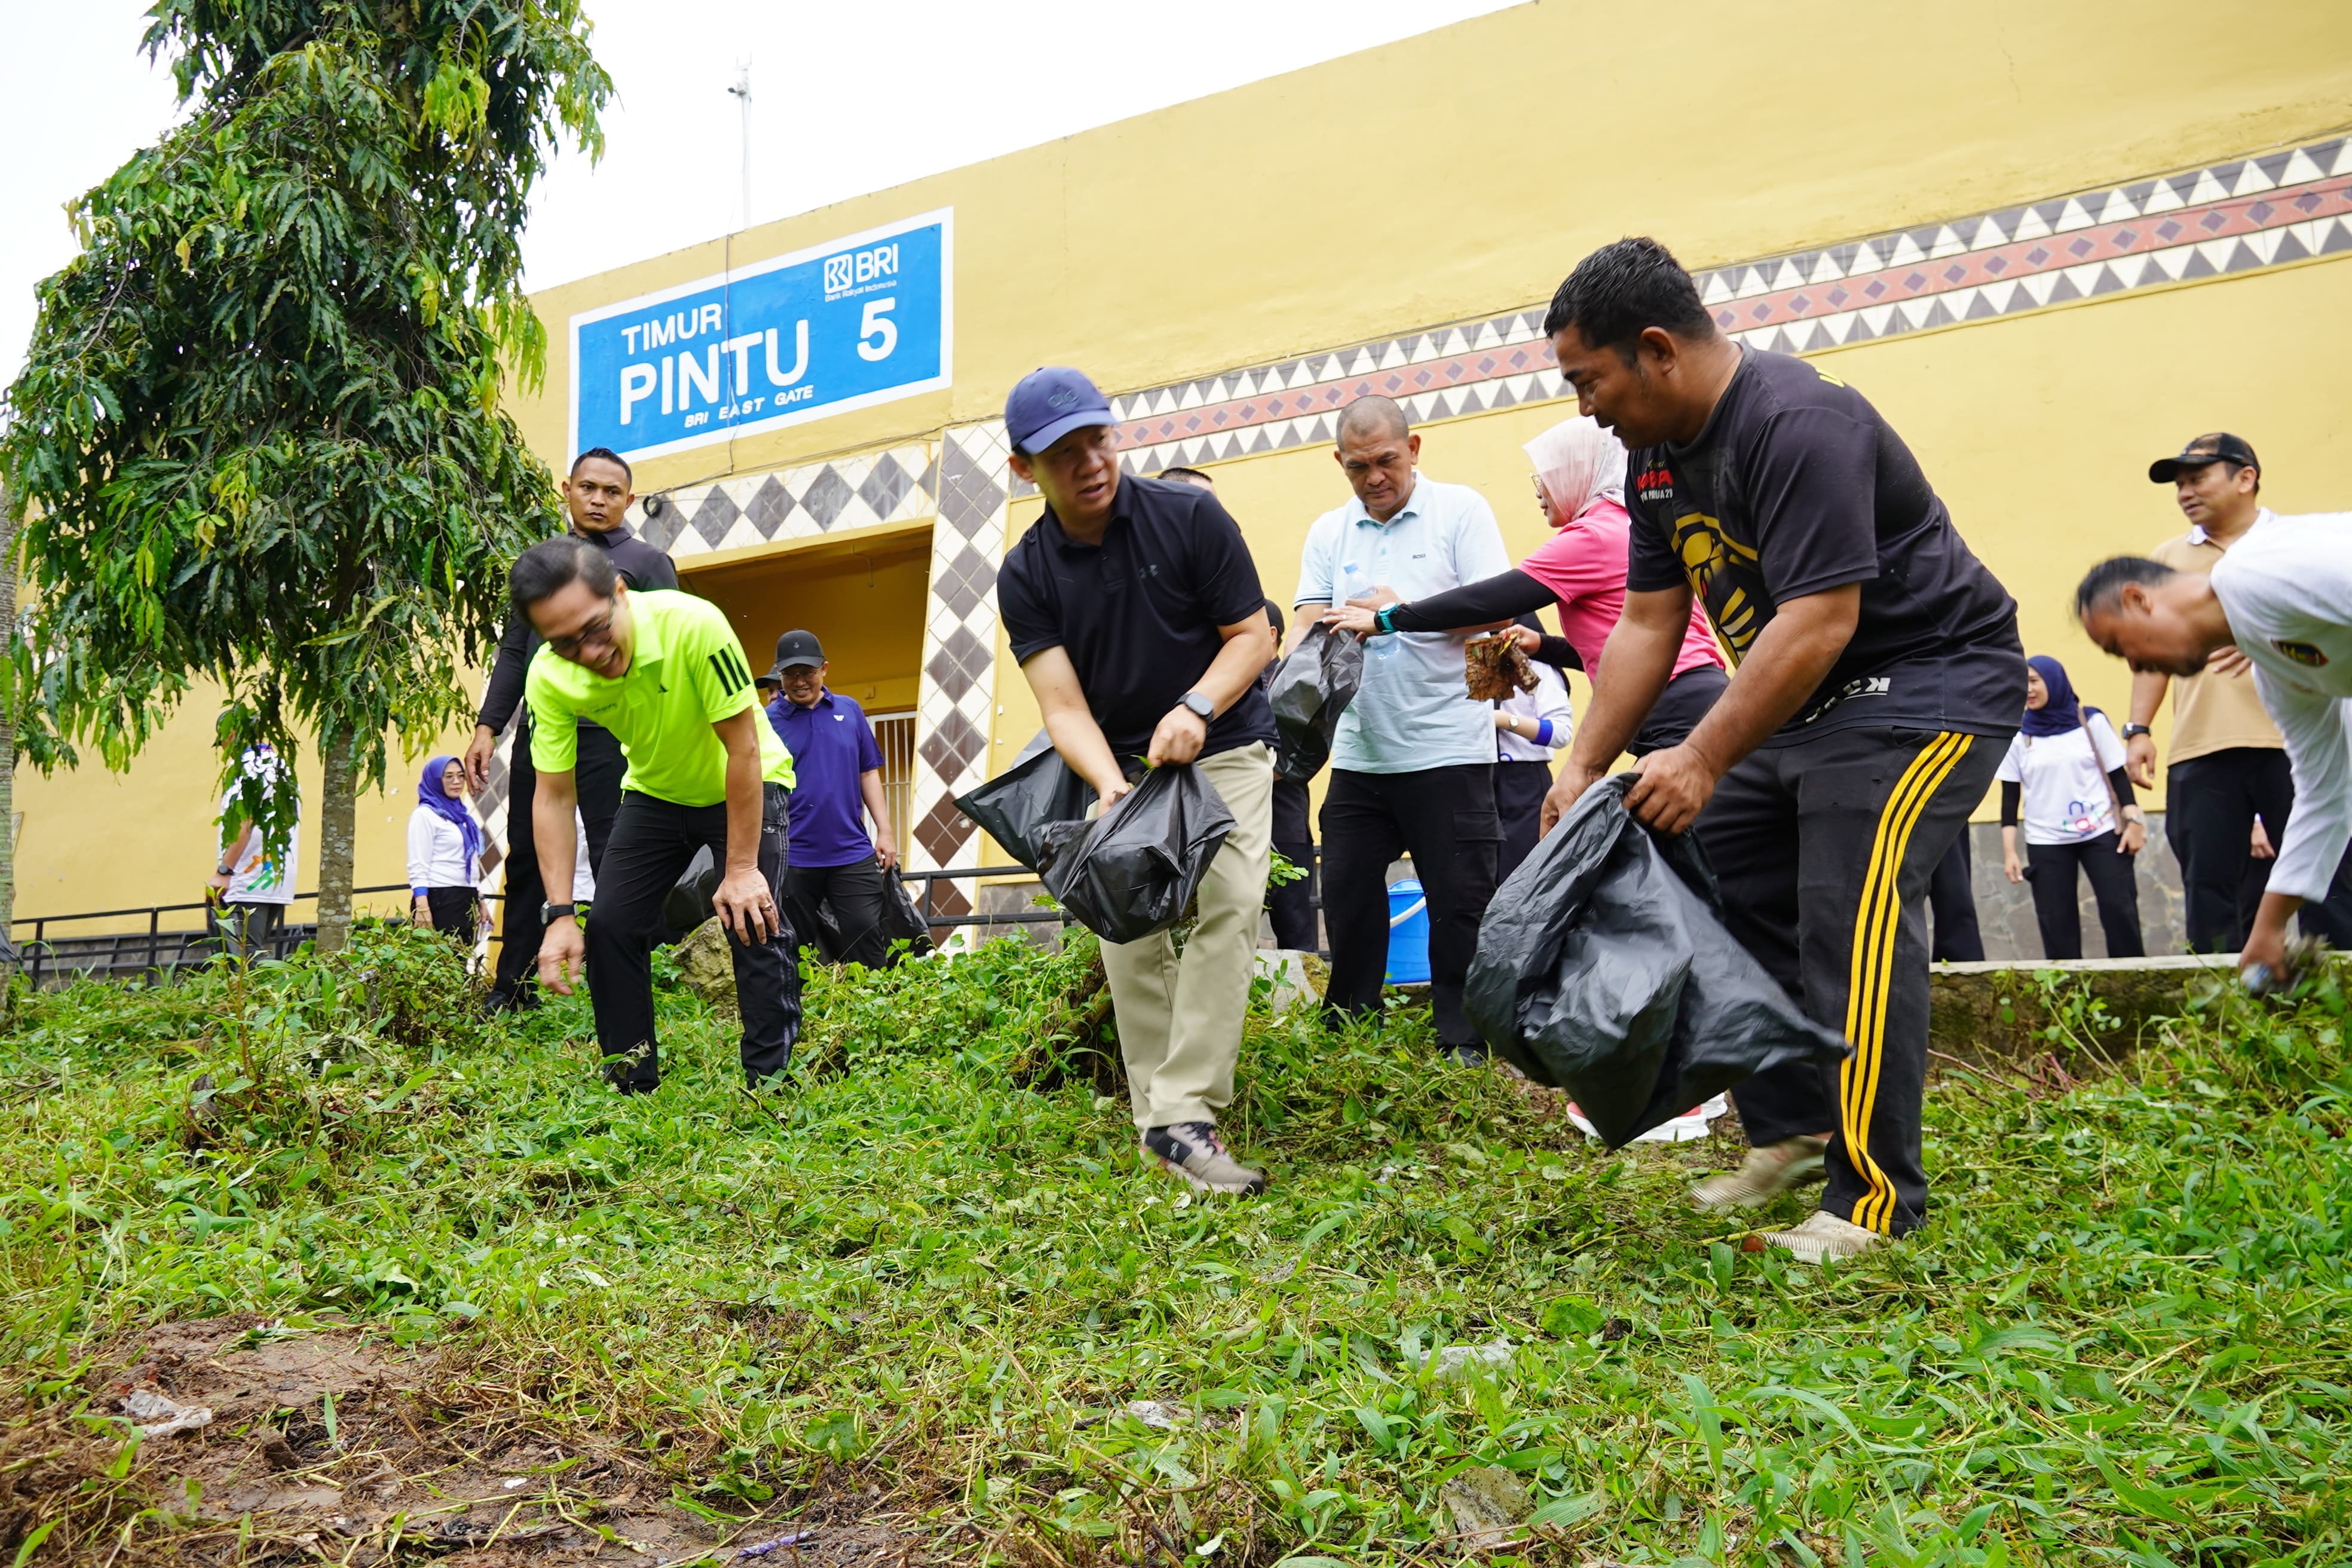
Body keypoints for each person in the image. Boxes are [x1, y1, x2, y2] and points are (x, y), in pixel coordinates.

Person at [1541, 238, 2023, 1264]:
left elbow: (1818, 618)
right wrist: (1584, 763)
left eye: (1590, 380)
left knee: (1848, 913)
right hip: (1812, 701)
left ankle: (1872, 1206)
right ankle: (1796, 1122)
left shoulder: (1797, 421)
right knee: (1703, 859)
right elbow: (1646, 621)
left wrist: (1704, 752)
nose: (1586, 407)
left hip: (1930, 681)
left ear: (1658, 349)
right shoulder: (1658, 460)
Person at [996, 366, 1279, 1196]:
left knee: (1230, 900)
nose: (1092, 462)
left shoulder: (1188, 517)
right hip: (1122, 761)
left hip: (1223, 738)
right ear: (1026, 469)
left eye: (1099, 438)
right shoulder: (1027, 575)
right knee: (1128, 933)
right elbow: (1061, 704)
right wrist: (1105, 784)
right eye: (1065, 453)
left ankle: (1184, 1109)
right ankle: (1166, 1131)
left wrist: (1196, 704)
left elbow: (1253, 636)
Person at [512, 535, 800, 1093]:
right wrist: (560, 913)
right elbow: (552, 796)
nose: (590, 654)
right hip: (654, 792)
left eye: (596, 629)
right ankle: (630, 1082)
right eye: (567, 644)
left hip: (743, 778)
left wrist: (741, 869)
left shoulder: (694, 625)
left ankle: (772, 1086)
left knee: (753, 919)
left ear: (621, 592)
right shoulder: (549, 675)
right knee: (613, 926)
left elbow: (742, 748)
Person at [1295, 396, 1512, 1062]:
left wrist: (1399, 614)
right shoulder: (1330, 531)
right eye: (1358, 466)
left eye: (1386, 460)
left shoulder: (1461, 511)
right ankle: (1352, 1033)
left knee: (1459, 904)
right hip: (1361, 752)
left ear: (1414, 448)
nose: (1374, 477)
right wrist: (1324, 623)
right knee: (1349, 897)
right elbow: (1308, 617)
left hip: (1448, 744)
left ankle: (1464, 1039)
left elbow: (1493, 611)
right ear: (1340, 463)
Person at [1330, 416, 1728, 755]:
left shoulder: (1590, 537)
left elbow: (1492, 600)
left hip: (1674, 705)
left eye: (1548, 476)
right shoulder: (1622, 522)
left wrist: (1390, 617)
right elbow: (1622, 646)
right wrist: (1546, 646)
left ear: (1579, 473)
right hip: (1688, 695)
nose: (1538, 490)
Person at [2075, 511, 2352, 984]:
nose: (2136, 663)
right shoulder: (2277, 669)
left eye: (2121, 648)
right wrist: (2268, 928)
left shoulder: (2258, 572)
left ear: (2138, 599)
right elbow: (2326, 794)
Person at [465, 447, 679, 1011]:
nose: (599, 499)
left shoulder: (648, 562)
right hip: (546, 728)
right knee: (528, 857)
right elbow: (516, 652)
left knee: (624, 853)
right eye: (589, 488)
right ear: (567, 489)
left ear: (629, 500)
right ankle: (512, 989)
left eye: (612, 492)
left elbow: (669, 647)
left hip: (617, 734)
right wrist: (489, 727)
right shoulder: (543, 567)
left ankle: (637, 982)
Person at [2121, 434, 2292, 953]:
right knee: (2209, 892)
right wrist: (2139, 730)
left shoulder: (2293, 544)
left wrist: (2267, 638)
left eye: (2198, 479)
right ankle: (2222, 1020)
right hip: (2202, 748)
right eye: (2180, 485)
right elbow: (2154, 654)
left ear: (2247, 478)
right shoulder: (2166, 560)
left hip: (2299, 745)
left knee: (2332, 882)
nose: (2185, 492)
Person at [1163, 469, 1320, 952]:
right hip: (1186, 805)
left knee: (1288, 918)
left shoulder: (1276, 677)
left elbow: (1308, 735)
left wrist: (1269, 766)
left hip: (1277, 808)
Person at [765, 629, 901, 969]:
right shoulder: (766, 723)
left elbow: (868, 772)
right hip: (793, 854)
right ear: (780, 674)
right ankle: (802, 1013)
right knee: (795, 945)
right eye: (791, 674)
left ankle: (875, 1008)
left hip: (851, 851)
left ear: (824, 669)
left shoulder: (849, 710)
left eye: (808, 673)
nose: (799, 682)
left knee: (865, 933)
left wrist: (885, 831)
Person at [1997, 656, 2146, 960]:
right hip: (2046, 841)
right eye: (2023, 682)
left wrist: (2135, 823)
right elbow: (2009, 798)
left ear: (2054, 680)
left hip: (2104, 833)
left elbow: (2119, 776)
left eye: (2035, 681)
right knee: (2057, 924)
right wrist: (2010, 852)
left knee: (2120, 911)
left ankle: (2135, 990)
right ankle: (2067, 996)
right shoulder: (2016, 732)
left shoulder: (2090, 721)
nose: (2028, 689)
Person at [1492, 615, 1575, 881]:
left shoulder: (1532, 666)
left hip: (1524, 783)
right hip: (1475, 780)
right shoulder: (1467, 659)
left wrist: (1506, 721)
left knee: (1522, 879)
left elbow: (1561, 732)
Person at [207, 740, 300, 961]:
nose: (222, 749)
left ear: (232, 736)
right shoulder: (282, 769)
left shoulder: (249, 768)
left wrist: (224, 871)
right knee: (253, 952)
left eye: (222, 741)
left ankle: (261, 997)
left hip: (246, 878)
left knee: (243, 960)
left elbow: (244, 822)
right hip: (275, 877)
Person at [408, 755, 487, 947]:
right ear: (435, 780)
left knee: (460, 965)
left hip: (465, 898)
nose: (457, 781)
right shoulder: (425, 815)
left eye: (460, 775)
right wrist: (423, 907)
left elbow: (469, 864)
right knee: (438, 965)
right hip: (440, 898)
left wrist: (480, 900)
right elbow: (418, 864)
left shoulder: (461, 815)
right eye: (448, 776)